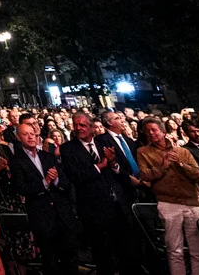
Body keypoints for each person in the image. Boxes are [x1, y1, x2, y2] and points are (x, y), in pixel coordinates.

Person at [59, 112, 136, 275]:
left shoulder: (104, 142)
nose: (79, 128)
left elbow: (118, 169)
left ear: (91, 126)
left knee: (127, 251)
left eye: (83, 125)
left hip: (117, 205)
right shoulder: (68, 149)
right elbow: (76, 177)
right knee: (103, 254)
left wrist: (113, 162)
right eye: (76, 125)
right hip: (94, 210)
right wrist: (100, 166)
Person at [137, 116, 199, 275]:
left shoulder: (182, 151)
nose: (151, 133)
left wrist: (182, 165)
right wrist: (162, 167)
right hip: (167, 203)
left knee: (198, 250)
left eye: (154, 130)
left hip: (191, 201)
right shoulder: (143, 152)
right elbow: (146, 175)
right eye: (147, 131)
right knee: (174, 250)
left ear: (162, 131)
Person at [10, 121, 77, 275]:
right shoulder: (17, 162)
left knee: (71, 257)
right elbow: (21, 188)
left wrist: (56, 180)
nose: (30, 137)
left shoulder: (48, 156)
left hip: (62, 213)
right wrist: (44, 182)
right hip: (41, 216)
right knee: (50, 261)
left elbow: (66, 183)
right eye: (25, 134)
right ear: (18, 138)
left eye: (32, 133)